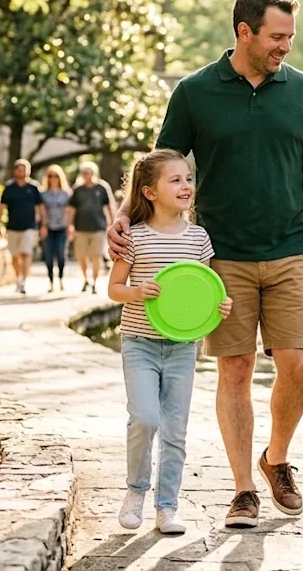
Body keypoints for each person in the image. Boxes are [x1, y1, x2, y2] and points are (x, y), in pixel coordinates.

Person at [108, 0, 303, 529]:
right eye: (276, 36)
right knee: (233, 369)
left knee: (299, 366)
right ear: (244, 31)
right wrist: (126, 216)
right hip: (219, 257)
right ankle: (242, 489)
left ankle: (276, 458)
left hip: (289, 247)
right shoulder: (194, 91)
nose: (286, 46)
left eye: (290, 36)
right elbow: (159, 164)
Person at [109, 150, 233, 535]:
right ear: (149, 192)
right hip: (140, 343)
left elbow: (206, 291)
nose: (186, 186)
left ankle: (167, 507)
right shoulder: (134, 238)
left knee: (176, 430)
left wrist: (221, 305)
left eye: (188, 179)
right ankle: (135, 492)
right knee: (144, 419)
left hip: (182, 348)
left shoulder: (198, 237)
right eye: (175, 180)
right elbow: (113, 289)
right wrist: (137, 292)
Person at [0, 159, 44, 294]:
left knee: (26, 253)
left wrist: (42, 224)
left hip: (29, 226)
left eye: (24, 169)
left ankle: (23, 281)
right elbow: (1, 207)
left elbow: (40, 207)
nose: (21, 172)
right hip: (12, 226)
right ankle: (18, 278)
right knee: (14, 256)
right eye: (19, 169)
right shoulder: (9, 188)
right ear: (15, 171)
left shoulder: (34, 188)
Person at [68, 161, 113, 293]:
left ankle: (94, 281)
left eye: (88, 172)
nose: (86, 175)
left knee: (96, 255)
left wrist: (111, 223)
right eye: (84, 173)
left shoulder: (101, 187)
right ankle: (85, 279)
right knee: (81, 255)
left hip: (98, 227)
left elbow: (109, 207)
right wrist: (69, 225)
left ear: (93, 173)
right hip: (80, 227)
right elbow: (71, 209)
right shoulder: (77, 189)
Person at [40, 164, 72, 292]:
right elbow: (41, 211)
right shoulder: (43, 194)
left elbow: (69, 211)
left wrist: (69, 226)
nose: (53, 179)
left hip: (62, 227)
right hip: (48, 227)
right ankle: (51, 281)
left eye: (55, 176)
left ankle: (61, 278)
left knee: (61, 254)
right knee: (48, 256)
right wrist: (43, 226)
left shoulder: (66, 194)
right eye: (50, 176)